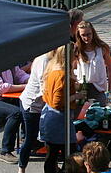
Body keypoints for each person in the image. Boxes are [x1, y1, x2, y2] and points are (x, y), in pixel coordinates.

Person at [40, 45, 79, 173]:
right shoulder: (62, 74)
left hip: (50, 117)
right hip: (59, 121)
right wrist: (76, 96)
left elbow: (46, 95)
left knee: (52, 155)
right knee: (71, 155)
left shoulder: (52, 68)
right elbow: (57, 102)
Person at [0, 67, 28, 164]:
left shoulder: (10, 63)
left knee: (28, 104)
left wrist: (31, 81)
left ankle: (27, 139)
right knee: (15, 113)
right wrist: (26, 86)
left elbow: (20, 75)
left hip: (6, 98)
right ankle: (5, 151)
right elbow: (1, 88)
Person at [19, 50, 51, 173]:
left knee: (49, 138)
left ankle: (52, 166)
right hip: (31, 103)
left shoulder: (50, 59)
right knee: (30, 138)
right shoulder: (44, 60)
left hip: (41, 103)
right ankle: (21, 168)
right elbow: (45, 87)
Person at [74, 21, 111, 104]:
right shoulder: (77, 48)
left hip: (98, 88)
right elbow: (72, 67)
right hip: (82, 87)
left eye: (88, 34)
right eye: (83, 35)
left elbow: (110, 68)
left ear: (93, 33)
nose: (86, 38)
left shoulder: (102, 47)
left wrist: (110, 90)